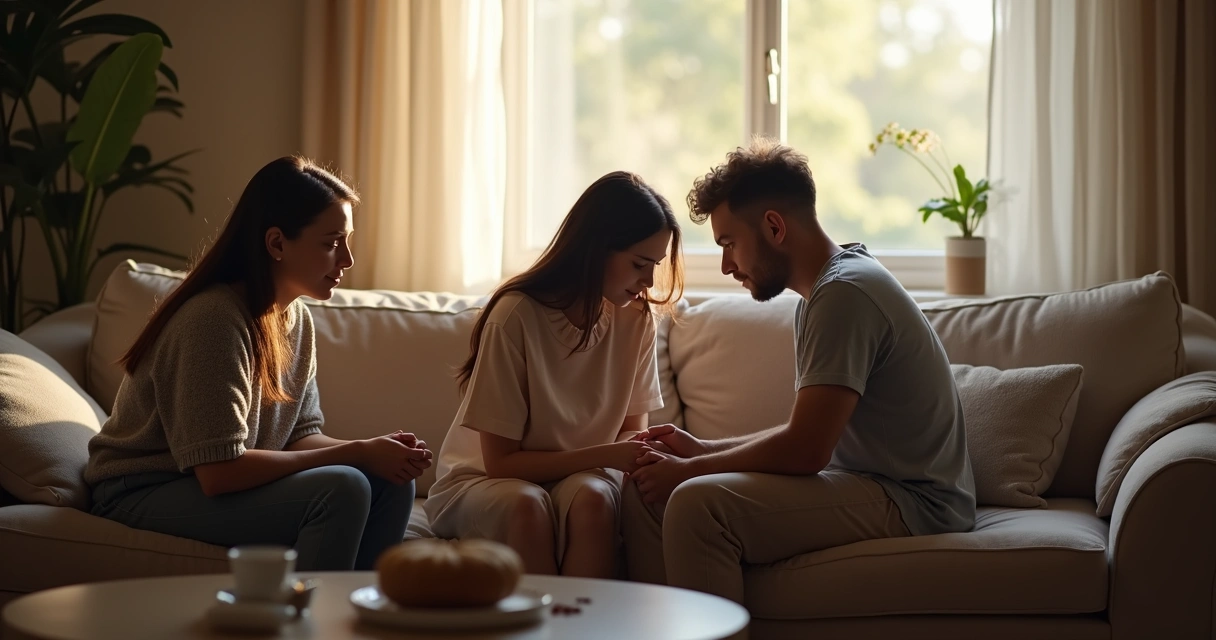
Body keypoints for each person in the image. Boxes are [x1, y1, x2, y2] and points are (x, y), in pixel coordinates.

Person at [622, 138, 975, 603]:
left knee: (695, 503)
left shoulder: (846, 294)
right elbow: (805, 434)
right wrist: (698, 450)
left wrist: (692, 469)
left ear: (773, 226)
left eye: (729, 243)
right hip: (866, 482)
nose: (727, 266)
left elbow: (806, 451)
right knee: (647, 490)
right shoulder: (821, 294)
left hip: (916, 501)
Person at [85, 156, 432, 571]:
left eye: (347, 240)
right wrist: (356, 453)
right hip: (141, 489)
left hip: (202, 481)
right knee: (342, 488)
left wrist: (378, 452)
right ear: (277, 244)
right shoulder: (213, 319)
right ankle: (310, 629)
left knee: (393, 483)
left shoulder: (295, 317)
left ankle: (361, 622)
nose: (347, 260)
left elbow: (300, 436)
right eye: (330, 242)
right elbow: (218, 472)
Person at [424, 171, 683, 578]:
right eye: (639, 264)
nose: (648, 281)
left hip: (579, 478)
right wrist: (608, 455)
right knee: (527, 505)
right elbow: (502, 464)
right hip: (483, 482)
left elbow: (632, 430)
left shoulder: (636, 319)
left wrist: (646, 453)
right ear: (596, 249)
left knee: (595, 498)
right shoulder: (516, 316)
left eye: (654, 265)